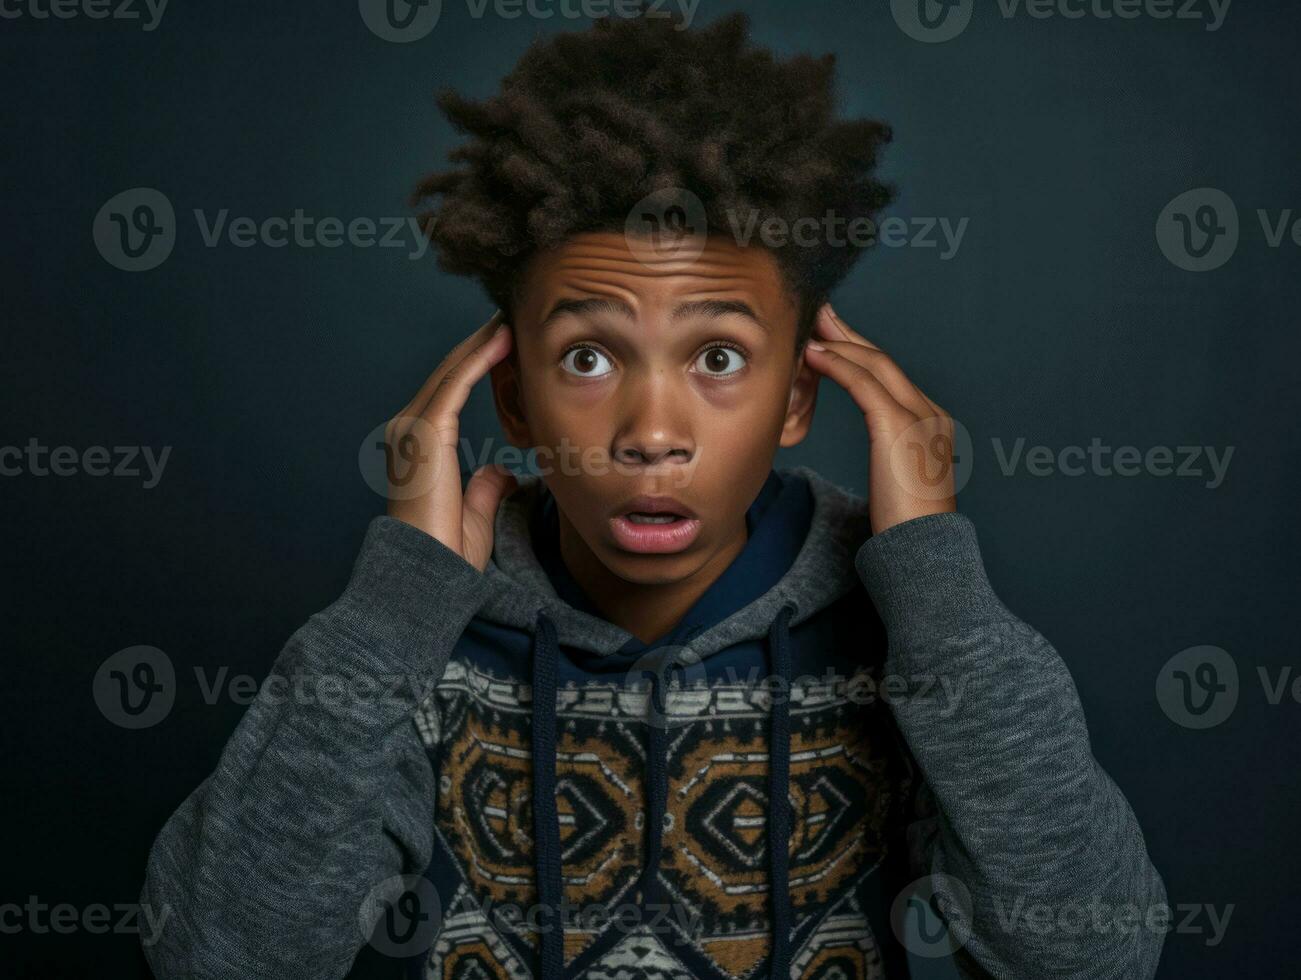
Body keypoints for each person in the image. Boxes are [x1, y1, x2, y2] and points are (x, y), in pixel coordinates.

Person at [140, 11, 1166, 979]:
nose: (651, 433)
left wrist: (939, 590)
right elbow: (219, 955)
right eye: (586, 357)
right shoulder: (422, 631)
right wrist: (387, 612)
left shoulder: (905, 628)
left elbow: (1093, 956)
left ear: (798, 394)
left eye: (718, 354)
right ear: (514, 395)